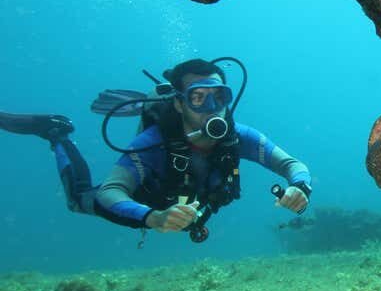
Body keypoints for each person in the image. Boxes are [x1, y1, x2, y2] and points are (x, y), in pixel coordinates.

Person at [0, 58, 312, 242]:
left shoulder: (238, 137)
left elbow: (292, 164)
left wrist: (299, 186)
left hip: (181, 207)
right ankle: (57, 134)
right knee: (78, 200)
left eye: (219, 96)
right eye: (198, 97)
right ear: (178, 103)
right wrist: (153, 217)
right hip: (146, 204)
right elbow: (111, 192)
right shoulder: (153, 142)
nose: (212, 107)